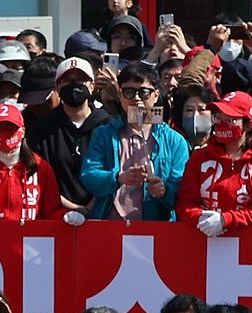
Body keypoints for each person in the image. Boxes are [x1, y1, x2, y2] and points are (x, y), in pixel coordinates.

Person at [81, 62, 189, 221]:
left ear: (156, 95)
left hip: (156, 228)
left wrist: (164, 191)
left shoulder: (175, 140)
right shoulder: (104, 134)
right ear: (119, 95)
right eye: (129, 92)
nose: (137, 98)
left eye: (144, 92)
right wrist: (118, 178)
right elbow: (89, 176)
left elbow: (183, 190)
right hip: (109, 224)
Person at [177, 91, 252, 235]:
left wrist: (226, 220)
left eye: (230, 119)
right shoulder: (199, 157)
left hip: (247, 241)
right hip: (201, 238)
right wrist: (201, 219)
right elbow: (185, 203)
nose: (221, 123)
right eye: (218, 117)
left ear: (248, 125)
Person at [0, 102, 70, 222]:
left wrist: (66, 217)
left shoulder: (40, 168)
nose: (5, 132)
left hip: (31, 239)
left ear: (22, 131)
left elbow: (51, 211)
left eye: (11, 127)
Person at [27, 56, 112, 214]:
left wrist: (92, 207)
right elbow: (38, 178)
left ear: (92, 85)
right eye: (67, 80)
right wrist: (73, 208)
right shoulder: (41, 129)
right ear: (57, 87)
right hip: (56, 215)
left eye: (80, 79)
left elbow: (114, 170)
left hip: (103, 214)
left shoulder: (108, 126)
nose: (74, 85)